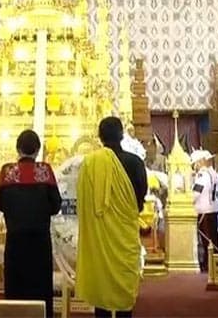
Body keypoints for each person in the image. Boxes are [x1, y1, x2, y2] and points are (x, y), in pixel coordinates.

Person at [76, 116, 147, 318]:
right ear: (122, 135)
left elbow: (85, 202)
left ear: (100, 137)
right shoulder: (135, 163)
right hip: (125, 232)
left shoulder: (91, 163)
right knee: (125, 281)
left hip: (101, 236)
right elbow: (140, 196)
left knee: (103, 282)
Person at [0, 130, 62, 317]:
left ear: (18, 149)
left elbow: (1, 205)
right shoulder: (45, 171)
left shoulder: (7, 172)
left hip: (15, 241)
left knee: (16, 287)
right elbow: (56, 206)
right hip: (39, 242)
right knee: (40, 286)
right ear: (37, 150)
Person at [190, 149, 218, 273]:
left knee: (207, 240)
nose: (195, 166)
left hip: (203, 210)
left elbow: (196, 194)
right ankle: (215, 262)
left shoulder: (202, 176)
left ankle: (209, 264)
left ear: (201, 162)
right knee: (213, 237)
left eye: (196, 163)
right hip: (213, 208)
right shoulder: (214, 174)